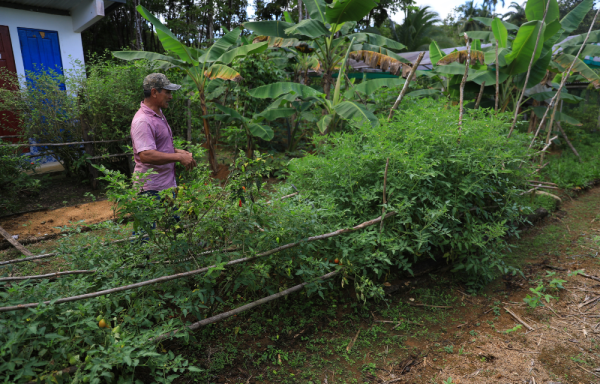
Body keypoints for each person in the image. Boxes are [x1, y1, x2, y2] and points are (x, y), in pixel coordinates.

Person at [131, 73, 197, 197]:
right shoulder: (143, 121)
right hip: (152, 190)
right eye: (167, 92)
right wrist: (178, 158)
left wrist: (177, 151)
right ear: (154, 92)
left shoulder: (158, 114)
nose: (171, 97)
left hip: (165, 186)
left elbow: (157, 146)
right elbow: (146, 155)